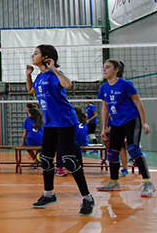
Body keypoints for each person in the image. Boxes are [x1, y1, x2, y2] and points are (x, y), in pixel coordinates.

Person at [26, 45, 94, 215]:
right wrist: (28, 75)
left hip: (65, 121)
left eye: (36, 53)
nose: (32, 55)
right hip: (50, 123)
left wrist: (54, 69)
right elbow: (31, 90)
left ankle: (87, 198)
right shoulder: (40, 77)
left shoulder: (53, 75)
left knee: (69, 161)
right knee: (46, 160)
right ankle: (49, 194)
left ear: (46, 57)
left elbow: (67, 84)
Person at [96, 59, 154, 197]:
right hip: (116, 122)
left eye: (108, 67)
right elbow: (105, 108)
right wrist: (104, 128)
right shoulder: (104, 87)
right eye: (104, 67)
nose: (104, 70)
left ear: (116, 70)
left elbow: (138, 103)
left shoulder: (125, 84)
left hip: (131, 118)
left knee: (133, 148)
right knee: (113, 151)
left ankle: (148, 183)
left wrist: (144, 122)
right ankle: (114, 182)